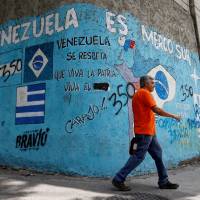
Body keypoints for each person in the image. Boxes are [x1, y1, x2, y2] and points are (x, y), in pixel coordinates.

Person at [112, 75, 181, 191]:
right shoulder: (144, 93)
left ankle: (163, 181)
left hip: (149, 132)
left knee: (158, 154)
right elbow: (156, 110)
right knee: (138, 156)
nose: (154, 84)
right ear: (145, 84)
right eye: (152, 83)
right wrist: (173, 116)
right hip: (144, 133)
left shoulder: (139, 94)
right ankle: (119, 178)